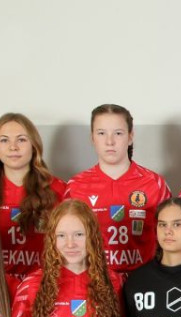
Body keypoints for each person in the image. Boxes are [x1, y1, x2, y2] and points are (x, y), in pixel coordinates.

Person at [66, 104, 171, 279]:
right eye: (101, 133)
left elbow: (171, 238)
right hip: (94, 281)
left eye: (118, 133)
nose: (110, 141)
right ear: (92, 138)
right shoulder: (76, 186)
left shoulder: (154, 183)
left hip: (144, 280)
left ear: (130, 137)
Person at [0, 112, 68, 279]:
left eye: (21, 140)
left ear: (34, 145)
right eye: (4, 140)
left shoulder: (59, 190)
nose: (13, 147)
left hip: (46, 284)